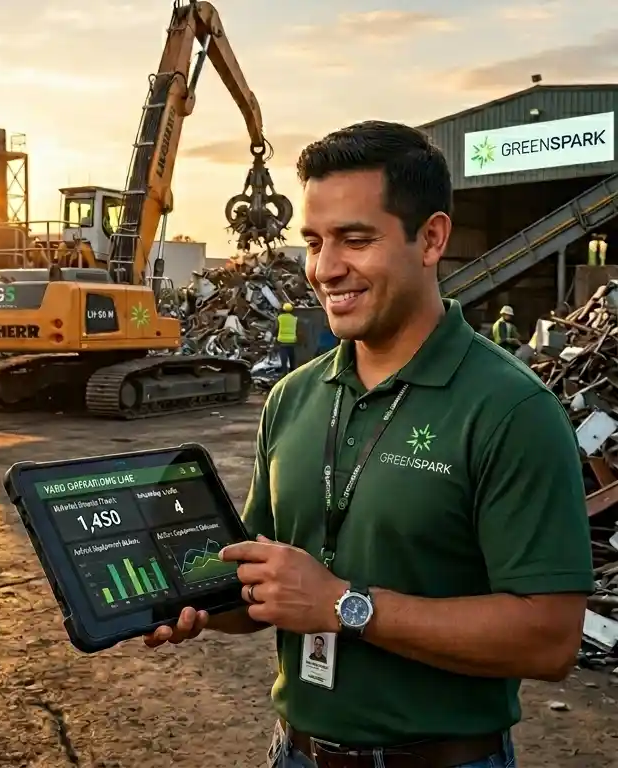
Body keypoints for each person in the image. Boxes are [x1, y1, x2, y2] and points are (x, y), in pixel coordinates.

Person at [142, 121, 591, 767]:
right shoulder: (292, 397)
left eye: (356, 239)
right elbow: (264, 586)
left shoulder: (512, 408)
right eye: (315, 242)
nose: (325, 269)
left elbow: (549, 641)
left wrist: (343, 605)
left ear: (431, 238)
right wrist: (189, 597)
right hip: (297, 753)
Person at [276, 303, 298, 371]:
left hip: (282, 341)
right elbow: (297, 329)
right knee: (292, 358)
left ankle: (284, 373)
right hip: (292, 341)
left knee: (284, 359)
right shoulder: (294, 319)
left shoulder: (279, 318)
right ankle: (292, 371)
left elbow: (276, 328)